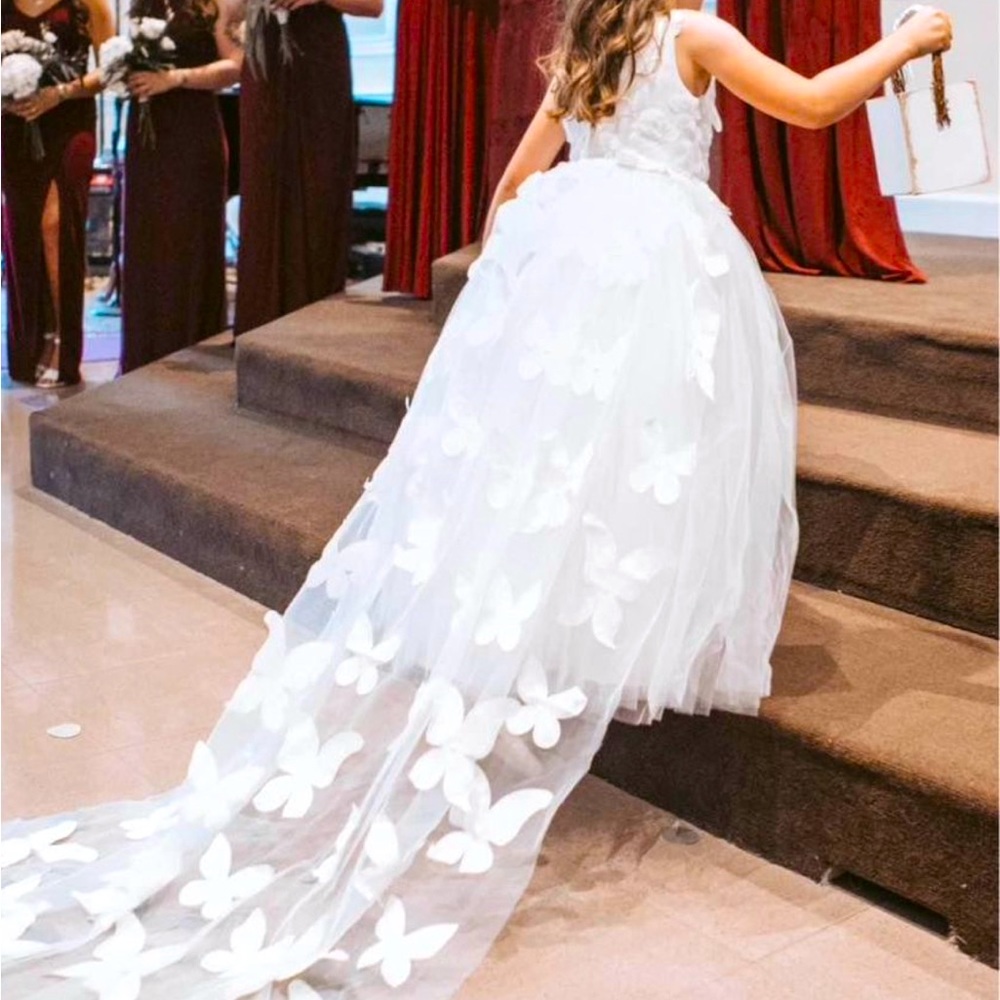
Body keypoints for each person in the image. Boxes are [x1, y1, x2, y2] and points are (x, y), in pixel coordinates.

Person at [0, 3, 952, 997]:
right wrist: (907, 42)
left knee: (549, 476)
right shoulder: (697, 37)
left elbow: (509, 190)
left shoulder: (592, 41)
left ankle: (526, 649)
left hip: (574, 258)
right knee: (641, 466)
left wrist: (509, 308)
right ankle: (593, 644)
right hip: (661, 267)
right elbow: (807, 105)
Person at [229, 0, 382, 337]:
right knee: (263, 190)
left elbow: (374, 6)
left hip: (318, 63)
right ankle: (259, 326)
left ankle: (312, 325)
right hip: (264, 59)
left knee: (318, 190)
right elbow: (230, 11)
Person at [119, 0, 241, 373]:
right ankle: (144, 352)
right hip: (146, 133)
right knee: (147, 241)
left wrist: (175, 79)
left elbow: (236, 67)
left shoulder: (219, 3)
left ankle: (186, 350)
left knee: (185, 239)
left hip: (192, 131)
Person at [1, 0, 113, 388]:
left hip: (70, 125)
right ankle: (31, 342)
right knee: (22, 234)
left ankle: (63, 342)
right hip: (14, 129)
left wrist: (61, 92)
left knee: (56, 224)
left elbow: (111, 69)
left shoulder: (89, 5)